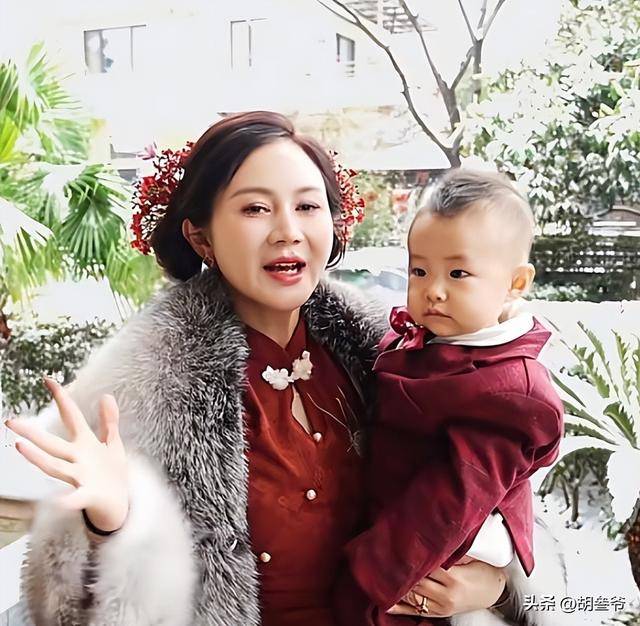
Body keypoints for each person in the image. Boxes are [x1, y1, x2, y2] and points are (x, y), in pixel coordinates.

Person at [5, 113, 561, 626]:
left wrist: (493, 584)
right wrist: (109, 523)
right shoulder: (144, 386)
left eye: (307, 206)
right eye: (255, 209)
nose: (287, 230)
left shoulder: (395, 355)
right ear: (201, 237)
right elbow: (63, 600)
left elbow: (493, 492)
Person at [336, 170, 566, 626]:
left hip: (431, 560)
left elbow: (446, 503)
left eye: (458, 273)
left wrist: (365, 581)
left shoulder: (506, 392)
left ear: (516, 283)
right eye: (419, 270)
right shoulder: (431, 340)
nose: (433, 291)